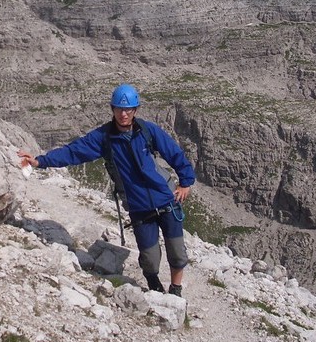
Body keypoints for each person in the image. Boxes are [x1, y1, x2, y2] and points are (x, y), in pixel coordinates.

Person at [18, 83, 196, 297]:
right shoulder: (103, 138)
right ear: (112, 109)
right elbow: (73, 152)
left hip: (166, 200)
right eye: (119, 109)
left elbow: (173, 152)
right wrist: (40, 161)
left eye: (128, 109)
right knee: (149, 259)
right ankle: (154, 286)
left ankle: (176, 291)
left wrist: (185, 182)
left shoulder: (148, 131)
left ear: (135, 110)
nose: (123, 114)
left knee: (177, 252)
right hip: (139, 207)